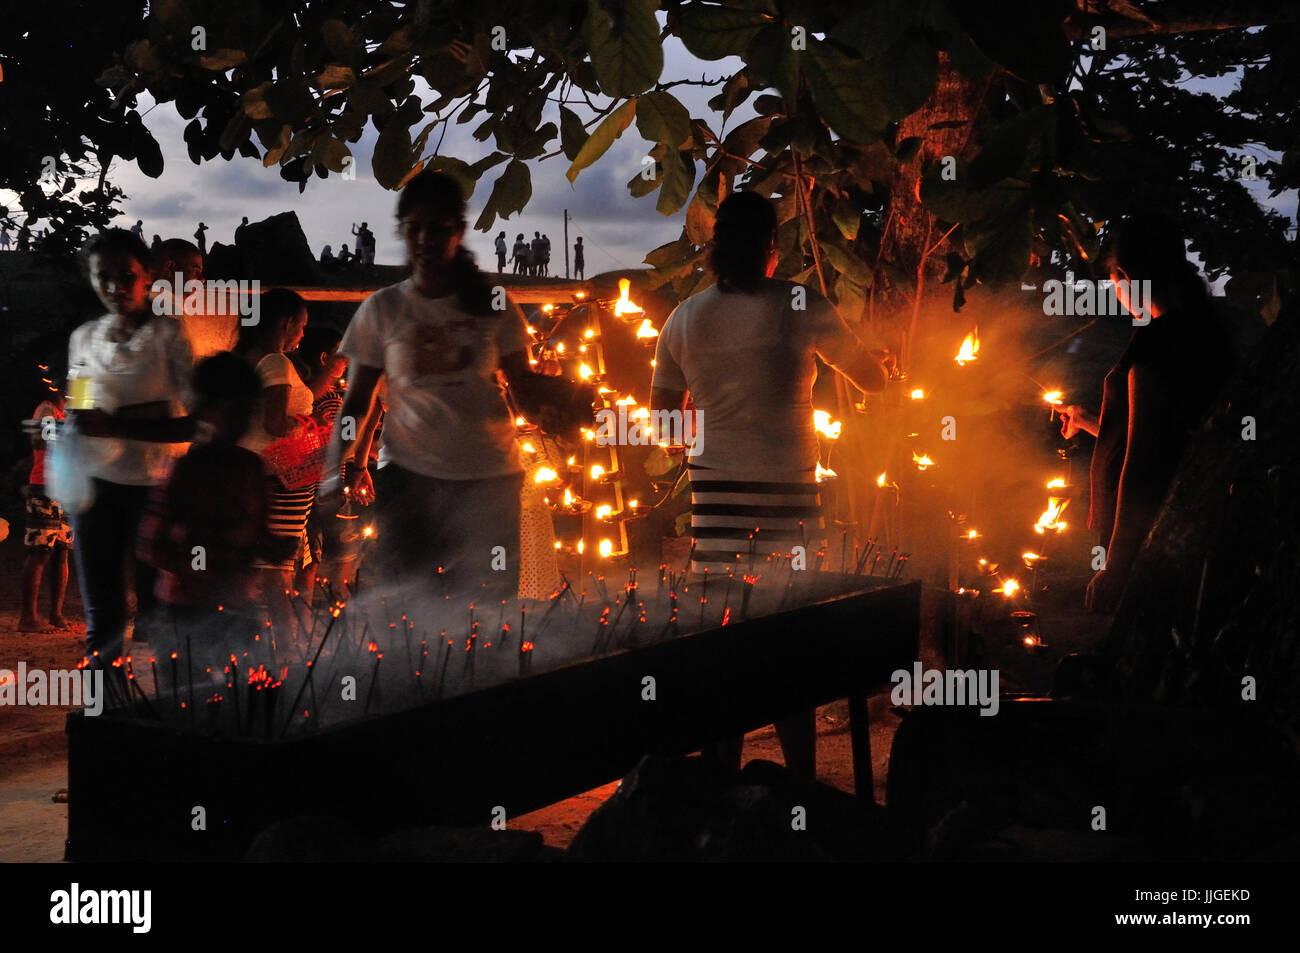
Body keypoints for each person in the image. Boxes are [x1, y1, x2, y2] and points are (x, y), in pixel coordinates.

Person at [650, 190, 892, 780]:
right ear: (771, 248)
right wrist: (881, 365)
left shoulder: (682, 319)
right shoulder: (801, 303)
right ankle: (802, 781)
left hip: (716, 509)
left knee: (726, 646)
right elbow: (870, 381)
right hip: (789, 504)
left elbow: (663, 425)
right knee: (790, 643)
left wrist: (712, 423)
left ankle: (721, 781)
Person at [328, 171, 587, 602]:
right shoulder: (384, 308)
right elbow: (356, 403)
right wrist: (335, 473)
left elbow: (521, 386)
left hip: (489, 477)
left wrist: (567, 405)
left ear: (459, 232)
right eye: (415, 229)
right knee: (407, 603)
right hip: (408, 481)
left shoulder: (494, 301)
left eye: (438, 228)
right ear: (403, 233)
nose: (426, 239)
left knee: (488, 601)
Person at [1058, 213, 1231, 614]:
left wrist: (1116, 565)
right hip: (1173, 518)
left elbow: (1142, 461)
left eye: (1112, 283)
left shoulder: (1160, 341)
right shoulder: (1200, 330)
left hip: (1143, 526)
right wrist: (1088, 422)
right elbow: (1155, 431)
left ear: (1123, 275)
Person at [65, 229, 197, 662]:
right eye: (103, 276)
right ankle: (102, 716)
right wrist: (139, 415)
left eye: (126, 275)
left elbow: (194, 425)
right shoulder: (84, 339)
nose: (114, 287)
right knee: (103, 615)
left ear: (148, 277)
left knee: (159, 611)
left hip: (156, 491)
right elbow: (82, 411)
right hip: (94, 491)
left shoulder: (169, 338)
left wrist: (117, 424)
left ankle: (166, 717)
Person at [136, 353, 294, 678]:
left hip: (239, 611)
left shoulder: (251, 469)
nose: (240, 423)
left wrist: (273, 547)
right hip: (184, 615)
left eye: (247, 413)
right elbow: (151, 545)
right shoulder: (185, 472)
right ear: (204, 412)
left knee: (248, 706)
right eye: (231, 412)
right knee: (188, 707)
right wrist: (207, 560)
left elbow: (257, 533)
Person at [234, 288, 323, 641]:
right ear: (286, 323)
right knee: (278, 567)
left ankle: (270, 642)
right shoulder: (275, 362)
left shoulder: (244, 357)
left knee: (268, 564)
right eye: (301, 326)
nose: (302, 334)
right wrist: (308, 425)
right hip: (283, 476)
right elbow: (274, 423)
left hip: (258, 474)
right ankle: (287, 646)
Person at [20, 383, 73, 632]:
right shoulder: (47, 411)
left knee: (61, 551)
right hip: (45, 485)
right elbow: (44, 444)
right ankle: (28, 616)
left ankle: (55, 613)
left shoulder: (64, 413)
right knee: (41, 551)